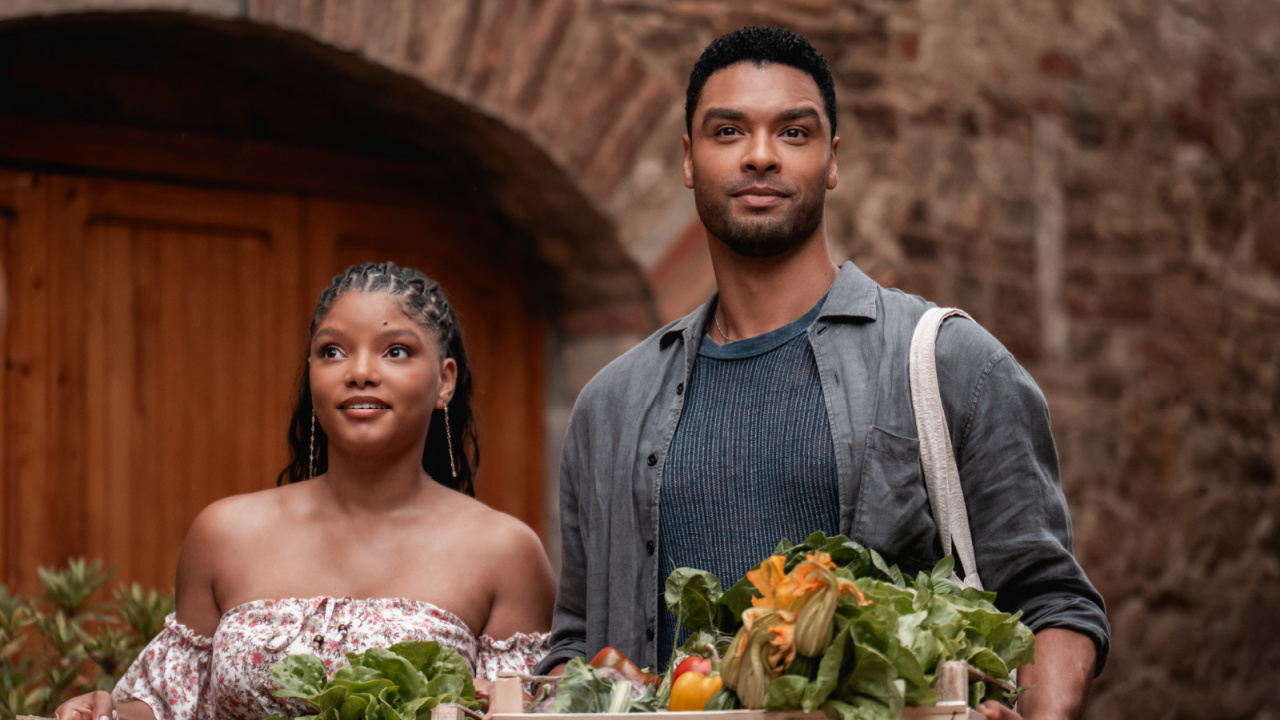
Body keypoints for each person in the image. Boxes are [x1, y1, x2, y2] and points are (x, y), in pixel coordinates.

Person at [536, 27, 1109, 720]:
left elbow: (1050, 603)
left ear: (832, 159)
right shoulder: (609, 406)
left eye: (794, 132)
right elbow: (577, 644)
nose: (760, 155)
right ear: (688, 159)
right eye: (728, 131)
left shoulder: (949, 362)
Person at [57, 262, 556, 720]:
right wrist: (106, 713)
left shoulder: (505, 552)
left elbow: (531, 713)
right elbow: (176, 708)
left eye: (396, 351)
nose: (360, 372)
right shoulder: (224, 533)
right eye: (332, 351)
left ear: (445, 382)